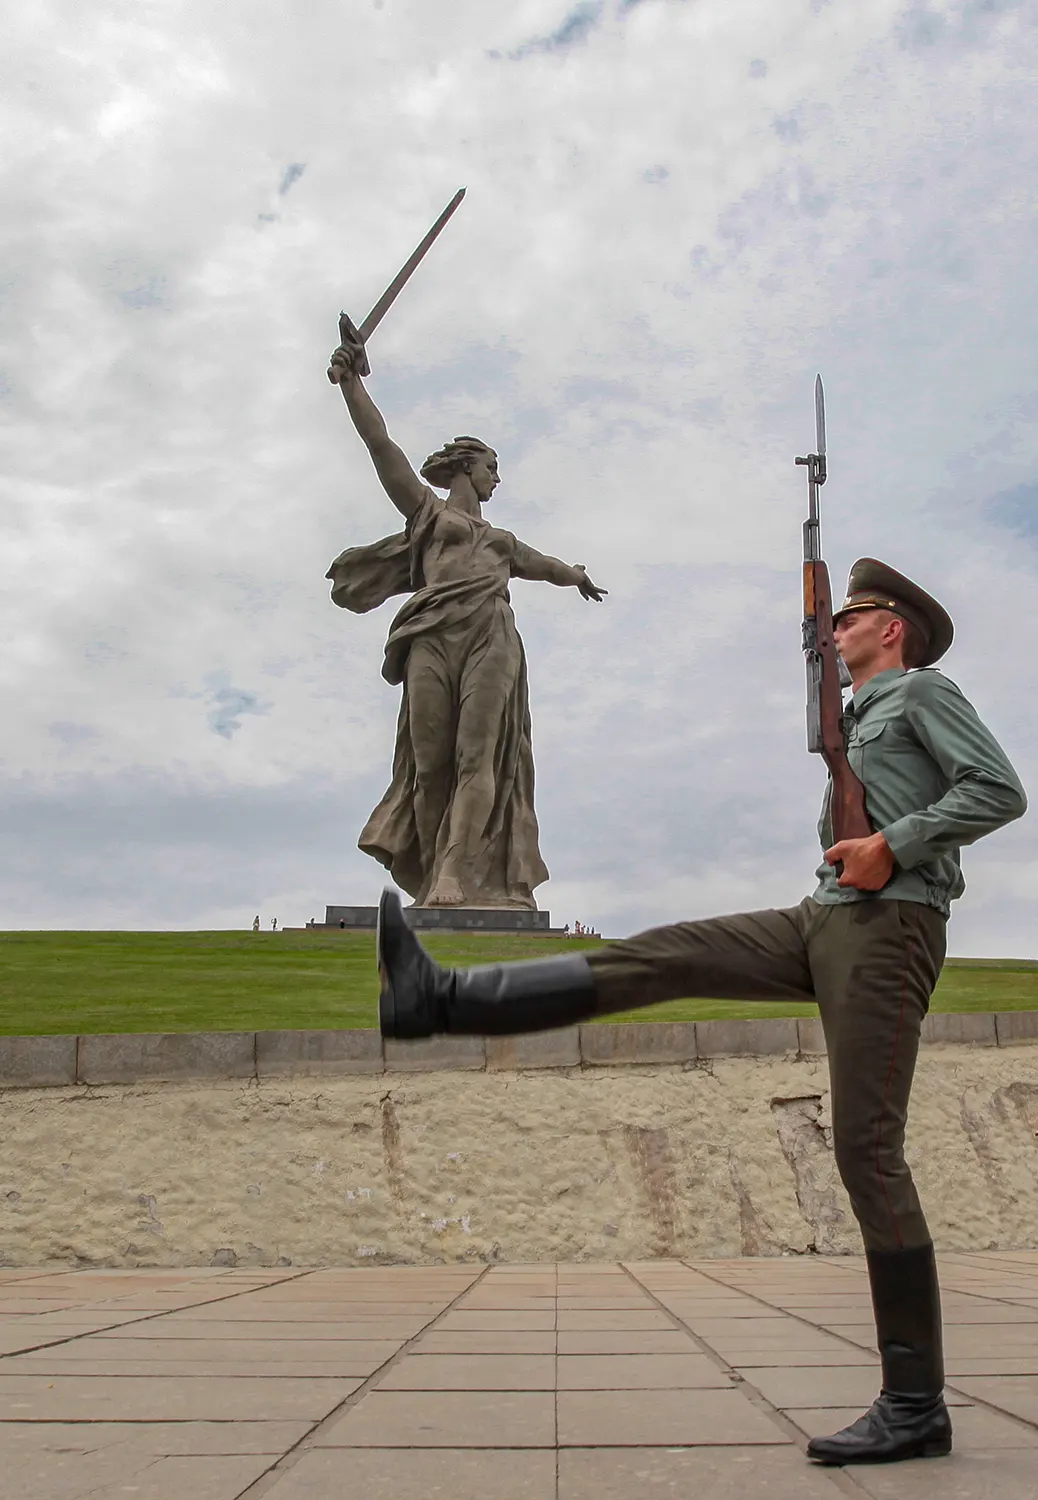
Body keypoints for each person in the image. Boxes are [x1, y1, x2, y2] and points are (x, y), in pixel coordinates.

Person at [374, 558, 1027, 1467]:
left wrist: (894, 842)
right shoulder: (858, 716)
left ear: (893, 628)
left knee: (867, 1152)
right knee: (669, 954)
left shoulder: (921, 692)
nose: (835, 630)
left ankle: (916, 1405)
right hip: (826, 917)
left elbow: (999, 790)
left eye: (851, 618)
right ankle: (439, 999)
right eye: (833, 619)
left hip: (892, 927)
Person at [326, 331, 606, 911]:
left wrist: (576, 574)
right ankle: (433, 870)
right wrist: (352, 384)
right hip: (431, 635)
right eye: (491, 467)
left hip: (491, 634)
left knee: (477, 758)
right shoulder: (427, 515)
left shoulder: (502, 541)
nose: (496, 478)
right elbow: (381, 446)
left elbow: (546, 566)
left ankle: (455, 872)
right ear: (466, 467)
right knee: (430, 766)